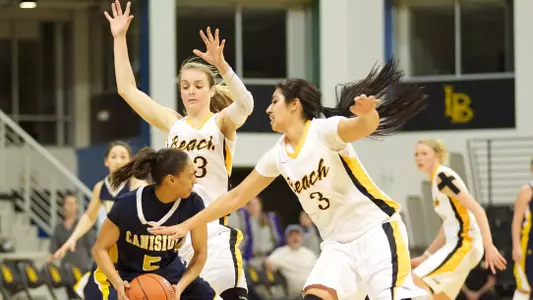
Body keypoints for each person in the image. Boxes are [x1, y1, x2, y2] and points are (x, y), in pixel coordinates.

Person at [149, 59, 430, 299]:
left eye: (274, 102)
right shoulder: (277, 156)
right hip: (336, 245)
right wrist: (185, 224)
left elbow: (361, 127)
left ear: (294, 105)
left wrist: (369, 114)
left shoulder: (324, 131)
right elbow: (235, 198)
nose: (268, 109)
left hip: (375, 231)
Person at [106, 1, 253, 298]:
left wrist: (223, 66)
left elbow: (247, 104)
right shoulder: (173, 124)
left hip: (211, 232)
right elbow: (127, 90)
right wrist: (119, 38)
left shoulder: (222, 123)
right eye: (185, 86)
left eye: (198, 85)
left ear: (212, 90)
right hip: (174, 241)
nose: (190, 91)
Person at [88, 147, 214, 300]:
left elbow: (200, 252)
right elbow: (99, 249)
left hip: (171, 275)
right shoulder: (127, 204)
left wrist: (180, 286)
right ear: (171, 180)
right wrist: (117, 282)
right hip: (127, 277)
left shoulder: (193, 203)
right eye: (190, 176)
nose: (195, 180)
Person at [410, 138, 507, 300]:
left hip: (465, 244)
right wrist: (426, 256)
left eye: (424, 154)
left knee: (416, 280)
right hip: (461, 245)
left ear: (437, 155)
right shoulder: (436, 181)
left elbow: (478, 210)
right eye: (416, 154)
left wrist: (489, 246)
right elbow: (448, 225)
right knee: (441, 296)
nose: (419, 158)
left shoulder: (443, 177)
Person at [51, 141, 147, 297]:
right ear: (106, 161)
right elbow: (89, 216)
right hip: (109, 249)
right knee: (92, 292)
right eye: (113, 156)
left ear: (130, 162)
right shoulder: (101, 187)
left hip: (133, 248)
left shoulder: (136, 183)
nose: (118, 160)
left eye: (123, 156)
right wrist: (72, 239)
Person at [49, 195, 95, 299]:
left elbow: (92, 246)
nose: (72, 206)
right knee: (71, 296)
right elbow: (53, 249)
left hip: (82, 268)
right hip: (67, 270)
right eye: (69, 203)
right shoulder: (59, 228)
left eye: (74, 203)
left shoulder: (84, 225)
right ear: (64, 206)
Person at [511, 158, 533, 300]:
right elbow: (517, 221)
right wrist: (516, 246)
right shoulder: (527, 190)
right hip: (529, 244)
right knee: (524, 288)